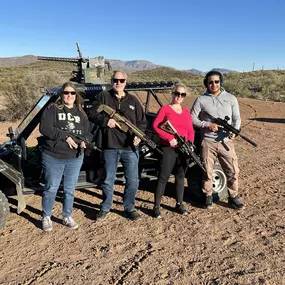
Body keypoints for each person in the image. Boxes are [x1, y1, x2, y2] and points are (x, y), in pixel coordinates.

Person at [88, 70, 147, 221]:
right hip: (110, 146)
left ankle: (129, 208)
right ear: (112, 80)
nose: (118, 83)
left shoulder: (133, 101)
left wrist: (139, 137)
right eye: (116, 80)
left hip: (130, 148)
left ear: (126, 82)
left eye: (121, 81)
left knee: (133, 180)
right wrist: (106, 121)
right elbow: (92, 113)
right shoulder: (103, 96)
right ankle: (105, 207)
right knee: (108, 179)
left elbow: (142, 122)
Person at [39, 82, 91, 231]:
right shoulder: (52, 109)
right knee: (51, 188)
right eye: (66, 92)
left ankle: (67, 216)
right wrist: (65, 137)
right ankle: (46, 216)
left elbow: (87, 132)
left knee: (69, 189)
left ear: (76, 96)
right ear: (62, 94)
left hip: (75, 158)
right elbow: (45, 128)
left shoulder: (81, 112)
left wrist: (85, 142)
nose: (69, 95)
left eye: (72, 93)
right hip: (53, 156)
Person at [190, 70, 245, 210]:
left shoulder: (231, 98)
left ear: (221, 82)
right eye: (210, 82)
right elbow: (192, 118)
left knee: (233, 171)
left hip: (226, 141)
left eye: (216, 81)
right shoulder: (201, 100)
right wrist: (207, 125)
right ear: (206, 84)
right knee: (207, 171)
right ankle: (208, 197)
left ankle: (233, 197)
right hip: (208, 141)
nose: (213, 84)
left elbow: (237, 118)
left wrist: (235, 131)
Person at [152, 83, 195, 218]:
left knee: (181, 176)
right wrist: (169, 138)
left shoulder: (186, 111)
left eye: (182, 94)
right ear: (172, 93)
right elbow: (156, 126)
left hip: (184, 148)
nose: (179, 97)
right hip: (169, 147)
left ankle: (179, 204)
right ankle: (157, 206)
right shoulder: (165, 109)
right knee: (164, 176)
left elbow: (190, 130)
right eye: (177, 93)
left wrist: (191, 143)